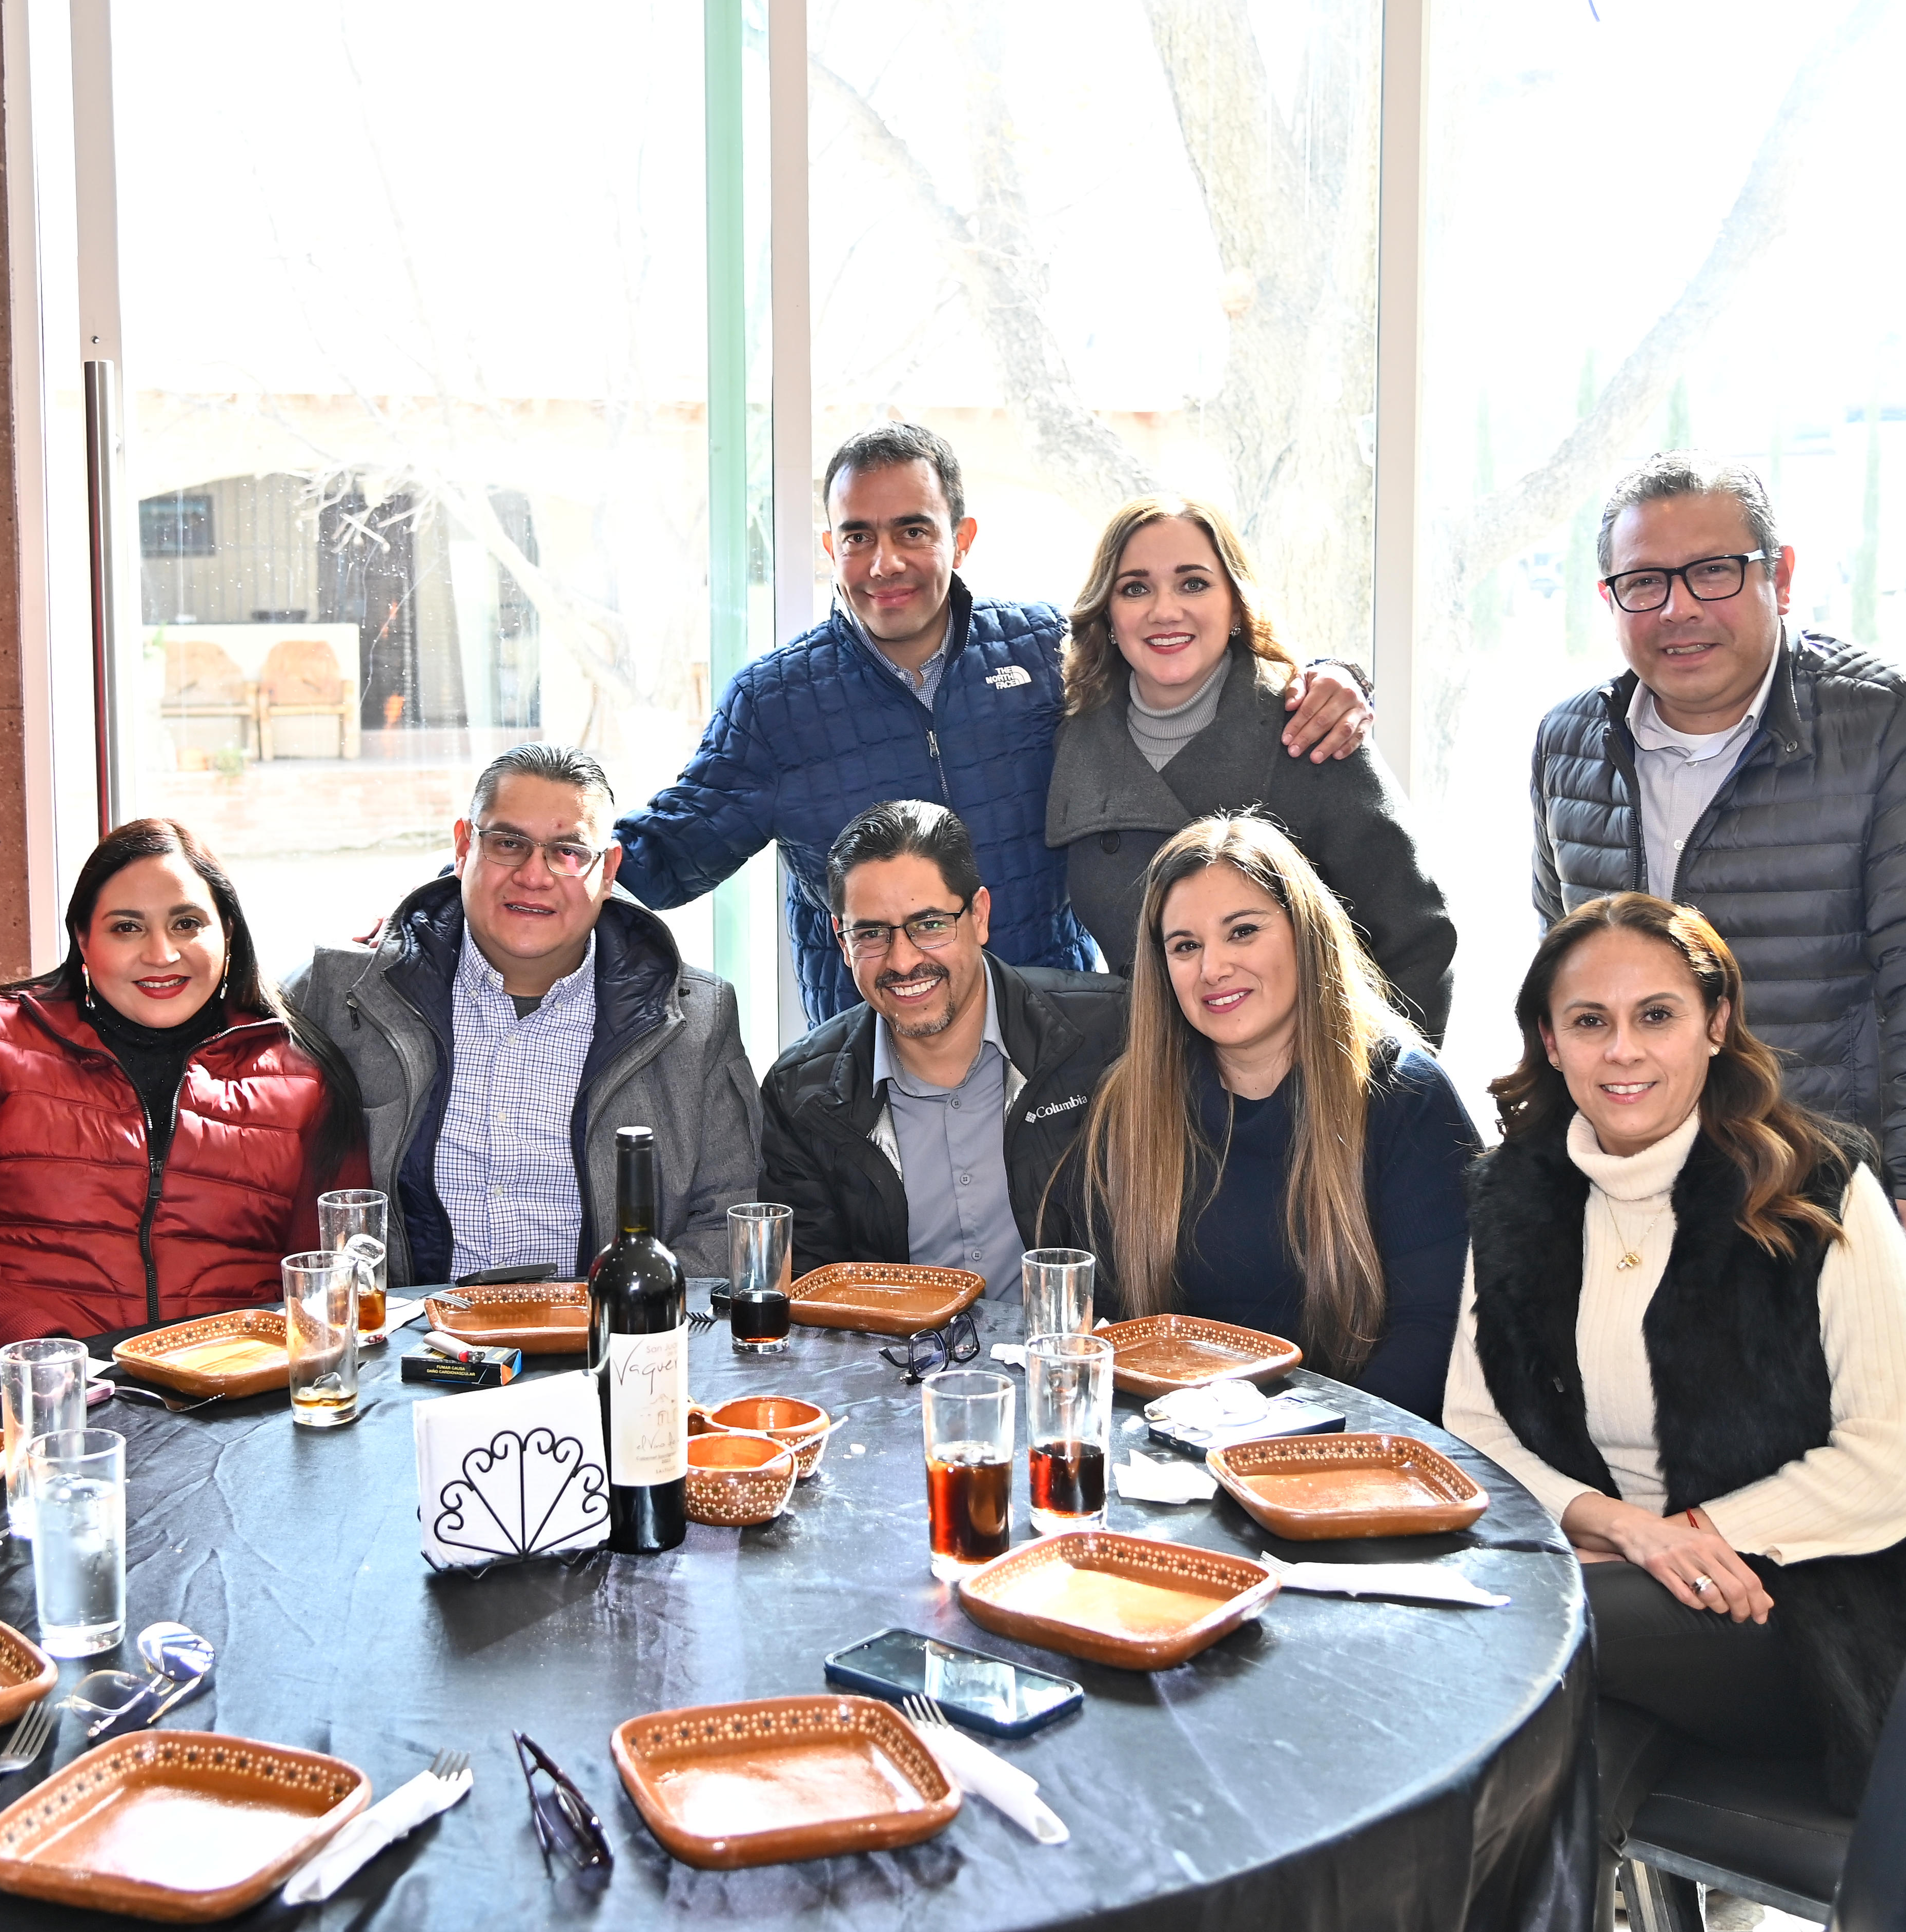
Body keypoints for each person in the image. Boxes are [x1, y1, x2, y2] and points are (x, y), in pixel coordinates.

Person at [1442, 892, 1906, 1869]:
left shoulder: (1819, 1187)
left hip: (1831, 1621)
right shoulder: (1512, 1192)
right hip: (1614, 1585)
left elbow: (1890, 1469)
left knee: (1505, 1636)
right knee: (1552, 1772)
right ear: (1550, 1037)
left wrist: (1693, 1541)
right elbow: (1474, 1427)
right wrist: (1620, 1529)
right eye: (1589, 1020)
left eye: (1654, 1014)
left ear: (1714, 1023)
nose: (1622, 1050)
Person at [612, 421, 1374, 1025]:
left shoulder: (1049, 651)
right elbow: (667, 853)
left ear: (962, 537)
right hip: (880, 1063)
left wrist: (1334, 676)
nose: (885, 562)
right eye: (858, 536)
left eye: (913, 531)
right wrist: (537, 850)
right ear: (830, 548)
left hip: (1059, 1045)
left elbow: (1187, 655)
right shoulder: (773, 704)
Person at [1531, 451, 1906, 1284]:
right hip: (1622, 1208)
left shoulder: (1901, 730)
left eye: (1713, 572)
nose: (1677, 607)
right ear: (1610, 598)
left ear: (1779, 576)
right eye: (1643, 582)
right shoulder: (1569, 743)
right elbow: (1558, 983)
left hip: (1816, 1215)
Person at [0, 819, 366, 1388]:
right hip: (14, 1402)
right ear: (82, 939)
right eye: (127, 927)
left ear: (227, 932)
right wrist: (42, 1353)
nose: (161, 952)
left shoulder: (304, 1077)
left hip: (221, 1411)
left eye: (187, 923)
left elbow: (323, 1279)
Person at [1050, 817, 1476, 1420]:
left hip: (1349, 1460)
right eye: (1185, 946)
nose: (1213, 968)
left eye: (1243, 932)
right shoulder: (1130, 1103)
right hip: (1172, 1453)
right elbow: (1105, 1322)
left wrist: (1288, 1447)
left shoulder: (1405, 1093)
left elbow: (1437, 1336)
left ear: (1305, 933)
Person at [290, 743, 760, 1283]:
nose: (533, 876)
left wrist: (625, 1323)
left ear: (607, 871)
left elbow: (727, 1220)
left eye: (567, 852)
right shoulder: (344, 991)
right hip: (403, 1350)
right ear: (464, 847)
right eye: (508, 843)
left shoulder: (699, 1019)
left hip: (606, 1346)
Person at [1047, 494, 1455, 1040]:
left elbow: (1417, 941)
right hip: (1147, 1086)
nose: (1165, 610)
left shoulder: (1311, 725)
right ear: (1108, 613)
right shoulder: (1072, 735)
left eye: (1193, 583)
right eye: (1135, 587)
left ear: (1236, 604)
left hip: (1307, 1085)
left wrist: (1380, 1101)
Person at [758, 801, 1127, 1294]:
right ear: (842, 944)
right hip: (896, 1367)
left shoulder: (1112, 1035)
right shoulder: (801, 1095)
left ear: (979, 916)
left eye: (930, 924)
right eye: (871, 933)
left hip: (1080, 1359)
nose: (904, 960)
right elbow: (811, 1306)